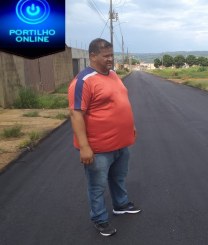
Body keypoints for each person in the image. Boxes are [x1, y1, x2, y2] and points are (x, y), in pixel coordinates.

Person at [68, 38, 141, 237]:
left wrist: (130, 126)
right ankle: (100, 219)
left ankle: (121, 204)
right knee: (97, 186)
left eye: (112, 55)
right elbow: (76, 114)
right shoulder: (83, 81)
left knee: (118, 177)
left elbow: (121, 102)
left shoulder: (113, 75)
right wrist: (84, 146)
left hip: (120, 143)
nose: (110, 59)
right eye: (106, 56)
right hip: (98, 148)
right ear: (92, 56)